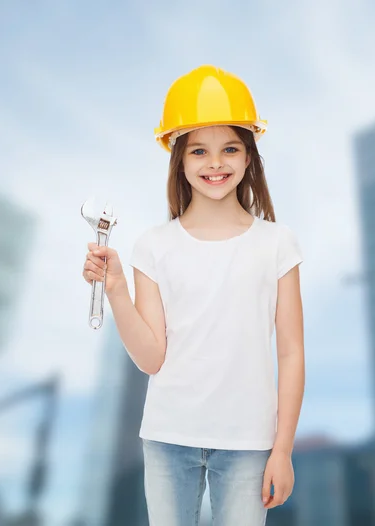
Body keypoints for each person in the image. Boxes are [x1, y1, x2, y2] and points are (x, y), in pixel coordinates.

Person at [82, 64, 305, 526]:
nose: (215, 163)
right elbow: (150, 358)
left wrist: (282, 449)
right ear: (179, 159)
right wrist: (117, 289)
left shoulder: (278, 243)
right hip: (168, 436)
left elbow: (291, 352)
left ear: (249, 158)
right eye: (199, 150)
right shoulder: (153, 246)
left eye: (230, 148)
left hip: (250, 442)